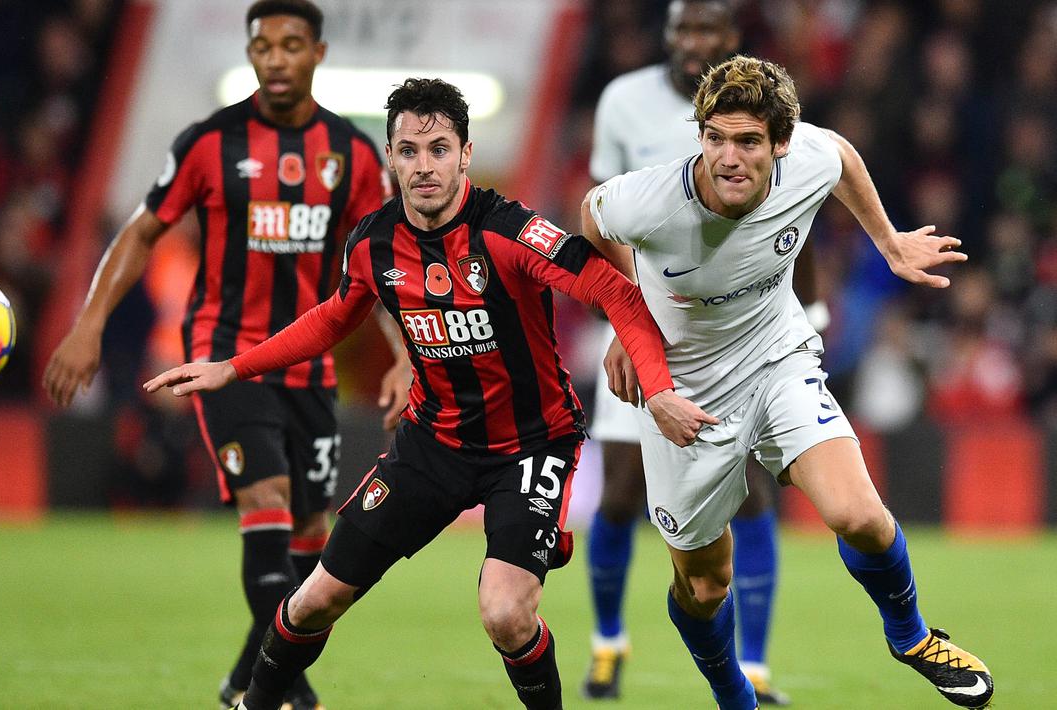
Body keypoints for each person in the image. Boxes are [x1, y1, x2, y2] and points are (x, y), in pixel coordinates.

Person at [144, 77, 715, 710]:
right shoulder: (373, 242)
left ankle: (530, 539)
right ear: (390, 156)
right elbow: (336, 316)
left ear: (465, 153)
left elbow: (618, 292)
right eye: (409, 151)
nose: (424, 166)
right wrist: (236, 367)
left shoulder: (511, 232)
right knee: (313, 601)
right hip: (432, 445)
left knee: (506, 614)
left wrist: (658, 391)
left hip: (529, 448)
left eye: (439, 149)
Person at [583, 55, 993, 709]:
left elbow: (841, 155)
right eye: (715, 137)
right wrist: (626, 318)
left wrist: (887, 242)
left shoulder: (808, 158)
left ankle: (911, 637)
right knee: (703, 586)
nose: (728, 157)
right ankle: (734, 698)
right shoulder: (648, 202)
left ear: (779, 142)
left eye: (747, 141)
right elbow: (590, 218)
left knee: (857, 515)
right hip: (684, 390)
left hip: (778, 359)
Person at [41, 2, 407, 708]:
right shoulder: (210, 141)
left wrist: (401, 353)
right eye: (262, 45)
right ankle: (287, 691)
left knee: (311, 541)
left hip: (310, 365)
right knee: (264, 504)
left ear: (318, 54)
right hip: (225, 357)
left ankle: (245, 679)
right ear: (250, 54)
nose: (274, 58)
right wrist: (89, 324)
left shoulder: (355, 156)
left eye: (290, 45)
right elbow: (143, 231)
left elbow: (381, 262)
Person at [582, 2, 810, 702]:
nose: (692, 43)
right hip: (639, 323)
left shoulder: (765, 112)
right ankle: (607, 644)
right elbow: (595, 209)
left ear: (729, 40)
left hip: (736, 334)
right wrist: (627, 314)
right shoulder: (623, 100)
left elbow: (795, 211)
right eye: (683, 31)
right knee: (619, 493)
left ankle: (756, 660)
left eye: (706, 32)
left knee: (749, 492)